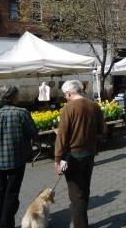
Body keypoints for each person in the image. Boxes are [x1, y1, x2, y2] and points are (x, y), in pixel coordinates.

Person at [54, 80, 108, 228]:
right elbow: (103, 131)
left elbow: (62, 136)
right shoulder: (94, 105)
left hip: (73, 156)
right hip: (90, 154)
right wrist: (90, 138)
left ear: (70, 93)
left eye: (65, 94)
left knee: (76, 195)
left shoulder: (68, 108)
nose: (65, 97)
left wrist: (57, 159)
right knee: (84, 190)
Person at [0, 84, 40, 228]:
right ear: (12, 97)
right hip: (16, 159)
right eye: (17, 95)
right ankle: (6, 224)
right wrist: (36, 142)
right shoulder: (21, 113)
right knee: (11, 193)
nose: (18, 97)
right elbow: (33, 133)